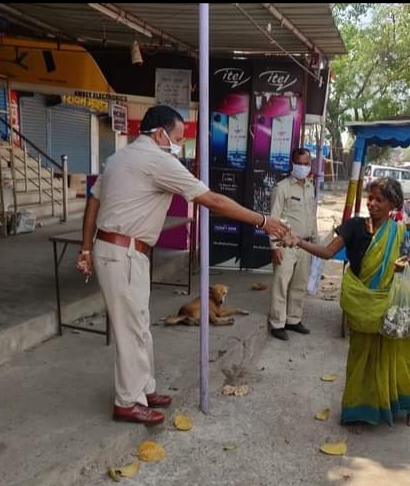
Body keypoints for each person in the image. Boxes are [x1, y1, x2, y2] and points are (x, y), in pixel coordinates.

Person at [76, 105, 289, 426]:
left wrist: (86, 248)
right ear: (160, 134)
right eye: (177, 138)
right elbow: (213, 200)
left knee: (139, 324)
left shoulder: (119, 157)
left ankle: (144, 389)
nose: (179, 145)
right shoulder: (158, 160)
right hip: (123, 253)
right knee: (131, 329)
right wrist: (262, 220)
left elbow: (93, 200)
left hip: (121, 251)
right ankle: (127, 402)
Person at [282, 177, 410, 427]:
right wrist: (299, 242)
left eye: (379, 200)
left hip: (390, 306)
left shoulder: (402, 233)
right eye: (370, 198)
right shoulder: (354, 226)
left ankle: (409, 405)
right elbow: (327, 252)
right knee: (360, 358)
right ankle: (359, 408)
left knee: (398, 358)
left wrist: (409, 265)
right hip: (362, 304)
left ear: (392, 204)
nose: (372, 204)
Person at [267, 148, 318, 341]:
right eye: (299, 163)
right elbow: (273, 219)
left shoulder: (310, 187)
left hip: (305, 244)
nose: (303, 167)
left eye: (306, 163)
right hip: (285, 245)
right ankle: (277, 323)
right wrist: (274, 247)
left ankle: (293, 319)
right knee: (281, 284)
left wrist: (315, 243)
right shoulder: (282, 188)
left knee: (300, 284)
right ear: (292, 163)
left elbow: (312, 215)